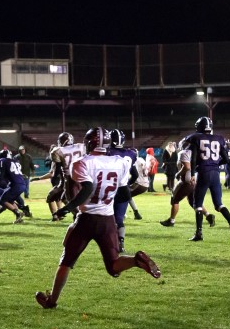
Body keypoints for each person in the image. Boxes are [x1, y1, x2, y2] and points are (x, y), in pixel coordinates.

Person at [35, 127, 161, 309]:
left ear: (89, 143)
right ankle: (136, 260)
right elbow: (125, 194)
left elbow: (86, 189)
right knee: (113, 266)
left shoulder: (82, 163)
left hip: (86, 219)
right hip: (108, 220)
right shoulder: (119, 162)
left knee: (66, 262)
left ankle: (52, 301)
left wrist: (67, 208)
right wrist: (107, 197)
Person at [187, 116, 230, 242]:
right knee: (219, 204)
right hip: (216, 174)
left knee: (197, 204)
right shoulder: (219, 138)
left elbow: (193, 158)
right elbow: (226, 159)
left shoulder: (196, 138)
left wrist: (193, 173)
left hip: (203, 173)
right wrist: (215, 163)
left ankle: (199, 233)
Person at [159, 137, 215, 228]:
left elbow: (187, 167)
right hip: (195, 180)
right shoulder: (198, 153)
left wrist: (178, 174)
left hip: (186, 180)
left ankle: (171, 220)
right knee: (193, 201)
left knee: (174, 200)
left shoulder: (184, 153)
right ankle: (208, 216)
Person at [108, 129, 138, 252]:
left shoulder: (107, 152)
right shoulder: (131, 153)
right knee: (119, 218)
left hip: (109, 189)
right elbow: (135, 175)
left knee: (107, 217)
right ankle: (121, 243)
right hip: (123, 189)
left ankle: (109, 242)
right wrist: (127, 184)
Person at [50, 132, 86, 210]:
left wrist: (54, 178)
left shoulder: (57, 151)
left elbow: (58, 168)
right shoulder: (80, 146)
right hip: (83, 177)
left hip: (70, 178)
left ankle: (79, 215)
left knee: (72, 201)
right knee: (79, 199)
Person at [0, 148, 27, 223]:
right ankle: (19, 218)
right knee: (10, 201)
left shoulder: (2, 160)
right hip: (22, 184)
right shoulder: (15, 161)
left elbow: (1, 174)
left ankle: (18, 214)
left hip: (16, 184)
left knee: (2, 201)